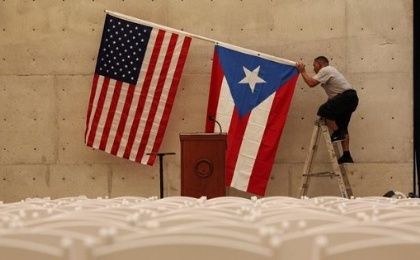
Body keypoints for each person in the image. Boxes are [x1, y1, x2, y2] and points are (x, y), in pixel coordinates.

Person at [296, 56, 359, 164]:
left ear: (320, 64)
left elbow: (311, 83)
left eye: (314, 65)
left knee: (323, 110)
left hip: (346, 97)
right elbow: (332, 98)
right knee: (342, 125)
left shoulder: (326, 70)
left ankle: (338, 133)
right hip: (350, 99)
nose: (314, 68)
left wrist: (302, 71)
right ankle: (346, 155)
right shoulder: (331, 73)